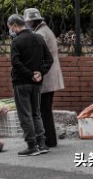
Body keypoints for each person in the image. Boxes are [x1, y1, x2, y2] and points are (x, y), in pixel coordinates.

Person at [7, 14, 53, 156]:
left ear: (14, 25)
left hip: (22, 83)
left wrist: (29, 74)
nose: (10, 30)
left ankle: (32, 146)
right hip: (37, 83)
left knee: (25, 115)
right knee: (36, 113)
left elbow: (15, 63)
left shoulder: (16, 42)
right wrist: (39, 73)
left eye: (10, 27)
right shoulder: (38, 38)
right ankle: (42, 144)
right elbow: (49, 59)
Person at [24, 8, 65, 148]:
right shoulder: (45, 30)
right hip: (51, 75)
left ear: (32, 21)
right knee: (45, 109)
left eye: (27, 21)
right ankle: (51, 139)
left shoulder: (41, 34)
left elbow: (39, 56)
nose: (27, 24)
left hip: (46, 76)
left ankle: (49, 140)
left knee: (43, 110)